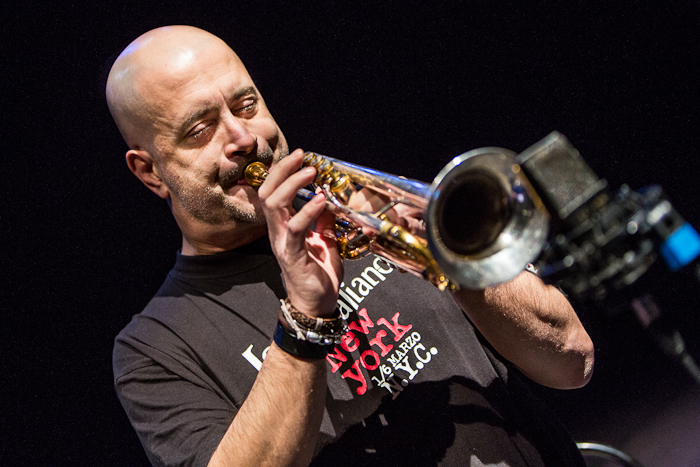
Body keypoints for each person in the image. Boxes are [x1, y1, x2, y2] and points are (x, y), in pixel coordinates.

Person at [107, 25, 594, 467]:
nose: (243, 138)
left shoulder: (372, 210)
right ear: (150, 171)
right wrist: (305, 317)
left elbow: (572, 358)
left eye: (246, 105)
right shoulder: (153, 349)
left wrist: (449, 256)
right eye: (200, 129)